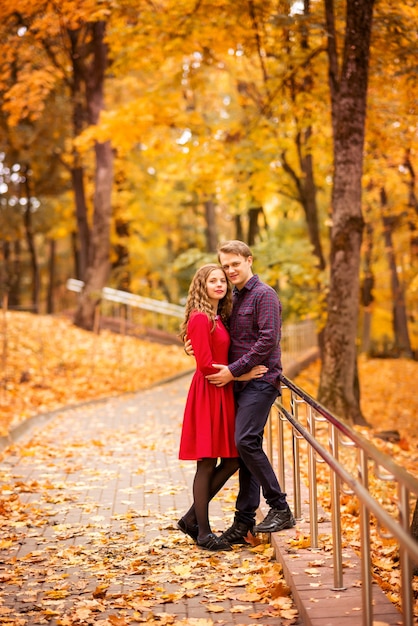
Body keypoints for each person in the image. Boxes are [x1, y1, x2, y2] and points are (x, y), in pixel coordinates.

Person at [186, 241, 295, 544]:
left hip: (260, 380)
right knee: (242, 451)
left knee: (244, 441)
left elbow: (268, 340)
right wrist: (191, 345)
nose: (230, 270)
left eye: (235, 264)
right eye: (226, 266)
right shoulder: (231, 298)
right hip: (235, 383)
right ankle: (242, 522)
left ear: (249, 261)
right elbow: (211, 332)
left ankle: (280, 506)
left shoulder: (265, 295)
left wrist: (235, 371)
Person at [178, 263, 267, 551]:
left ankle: (191, 518)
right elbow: (204, 365)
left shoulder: (219, 316)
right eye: (212, 281)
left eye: (222, 281)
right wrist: (243, 374)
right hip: (209, 391)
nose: (219, 284)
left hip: (223, 393)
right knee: (206, 462)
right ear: (201, 286)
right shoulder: (200, 318)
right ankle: (203, 533)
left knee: (231, 459)